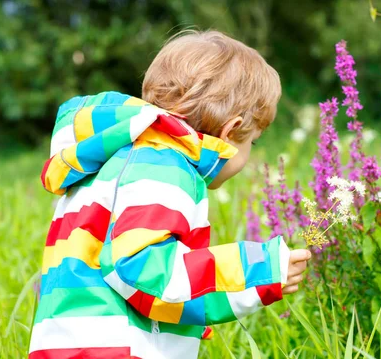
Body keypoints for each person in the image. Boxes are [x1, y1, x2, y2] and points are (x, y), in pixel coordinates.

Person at [29, 31, 311, 359]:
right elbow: (142, 270)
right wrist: (258, 271)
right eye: (253, 142)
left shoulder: (119, 157)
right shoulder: (162, 165)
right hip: (118, 349)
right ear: (230, 132)